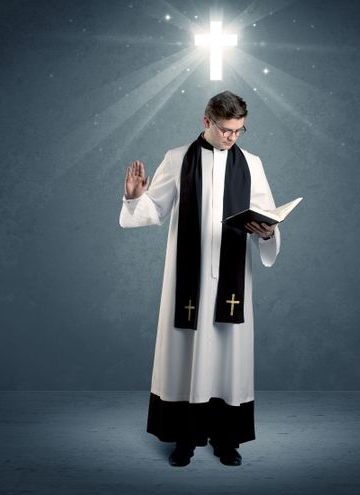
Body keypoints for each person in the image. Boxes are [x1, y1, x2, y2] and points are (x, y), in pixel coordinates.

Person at [119, 90, 280, 467]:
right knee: (185, 356)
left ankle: (226, 440)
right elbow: (153, 210)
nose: (232, 138)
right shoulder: (177, 159)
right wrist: (133, 199)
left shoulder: (251, 164)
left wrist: (268, 232)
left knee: (228, 358)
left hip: (232, 281)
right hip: (187, 283)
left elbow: (267, 214)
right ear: (207, 121)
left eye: (239, 131)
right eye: (226, 130)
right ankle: (185, 439)